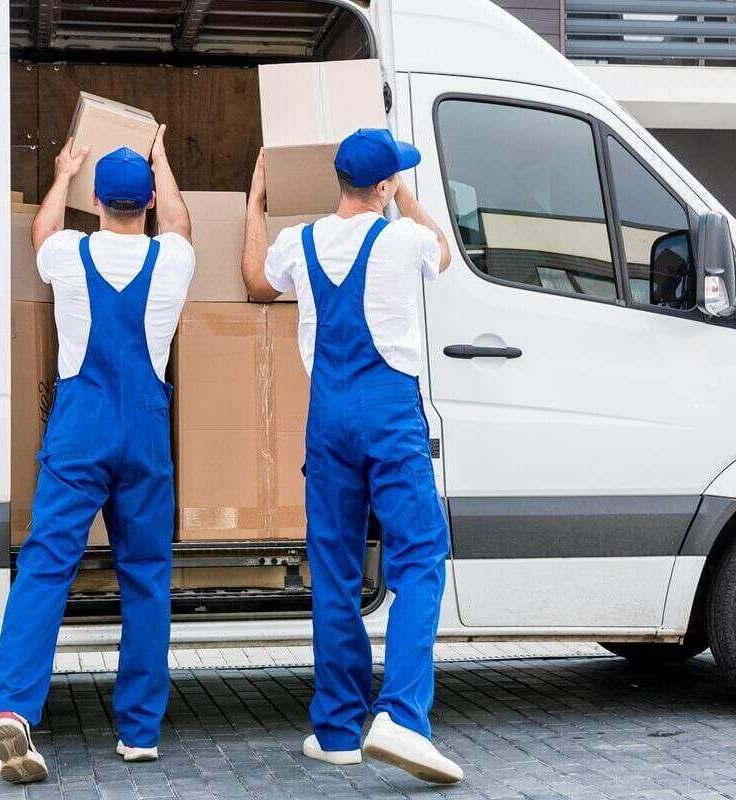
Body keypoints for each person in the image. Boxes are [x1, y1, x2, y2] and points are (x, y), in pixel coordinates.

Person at [240, 128, 460, 785]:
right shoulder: (404, 238)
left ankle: (337, 729)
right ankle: (401, 718)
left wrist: (254, 205)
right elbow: (444, 253)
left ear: (337, 182)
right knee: (420, 557)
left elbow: (257, 281)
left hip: (326, 421)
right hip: (389, 417)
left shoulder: (299, 243)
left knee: (335, 571)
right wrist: (407, 198)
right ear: (386, 185)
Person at [0, 128, 194, 783]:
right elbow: (182, 222)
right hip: (143, 436)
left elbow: (40, 231)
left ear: (98, 200)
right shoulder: (173, 261)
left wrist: (61, 173)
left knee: (46, 567)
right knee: (146, 578)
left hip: (81, 431)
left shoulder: (70, 255)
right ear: (149, 203)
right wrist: (163, 163)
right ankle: (138, 732)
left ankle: (15, 709)